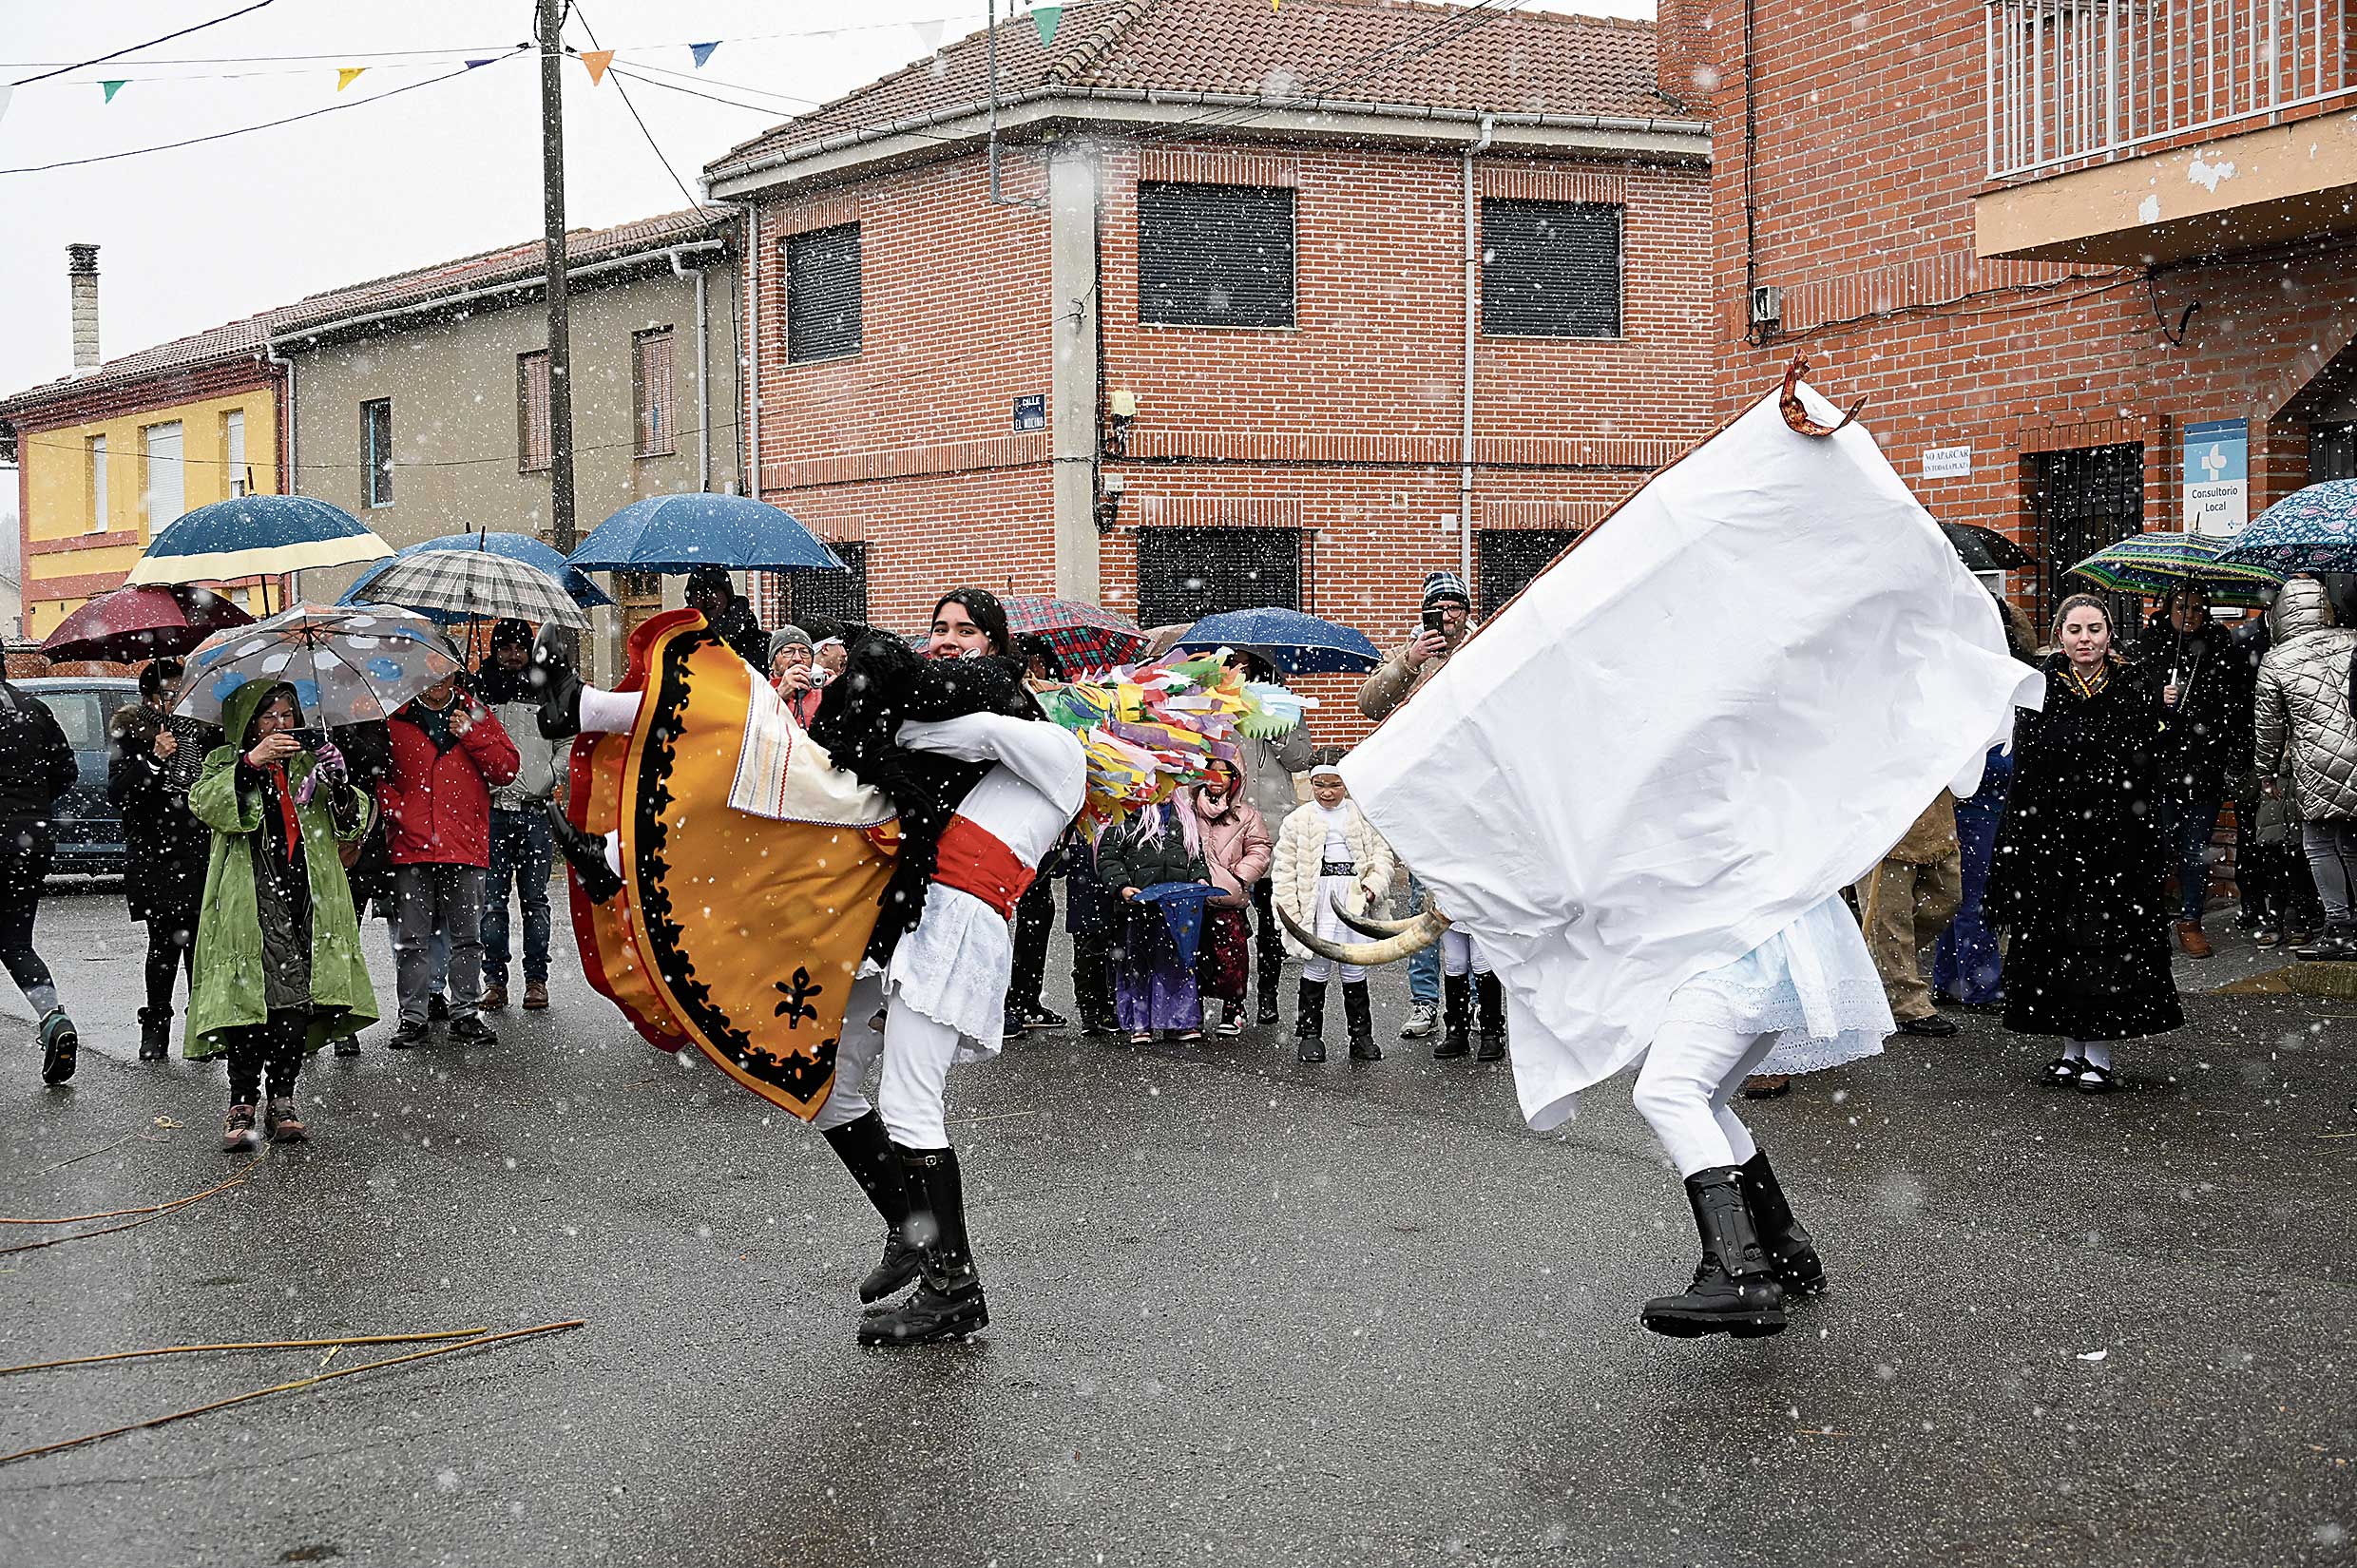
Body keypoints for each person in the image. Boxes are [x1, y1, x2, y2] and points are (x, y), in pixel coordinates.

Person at [1987, 593, 2183, 1092]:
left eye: (2095, 629)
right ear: (2060, 636)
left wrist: (2167, 716)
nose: (2085, 639)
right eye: (2075, 630)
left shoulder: (2134, 684)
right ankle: (2072, 1051)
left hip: (2115, 840)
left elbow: (2151, 761)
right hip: (2053, 837)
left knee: (2104, 944)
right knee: (2058, 945)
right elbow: (2029, 763)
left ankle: (2100, 1054)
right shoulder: (2040, 686)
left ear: (2109, 634)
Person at [185, 681, 375, 1147]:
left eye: (288, 714)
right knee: (250, 1004)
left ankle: (283, 1099)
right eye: (268, 716)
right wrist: (251, 763)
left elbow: (351, 824)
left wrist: (342, 788)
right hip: (249, 898)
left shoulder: (310, 762)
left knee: (293, 1003)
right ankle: (242, 1101)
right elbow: (209, 804)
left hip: (306, 894)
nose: (281, 725)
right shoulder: (223, 763)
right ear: (250, 723)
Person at [1359, 570, 1476, 1043]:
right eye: (1440, 608)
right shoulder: (1411, 655)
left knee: (1474, 906)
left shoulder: (1485, 646)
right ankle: (1426, 1003)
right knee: (1423, 902)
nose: (1448, 618)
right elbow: (1370, 704)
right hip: (1425, 798)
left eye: (1456, 608)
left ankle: (1479, 1006)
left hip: (1473, 796)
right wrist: (1409, 663)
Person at [380, 674, 519, 1048]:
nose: (435, 683)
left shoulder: (475, 712)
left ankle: (465, 1013)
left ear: (454, 674)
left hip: (463, 844)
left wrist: (472, 734)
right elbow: (380, 777)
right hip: (411, 846)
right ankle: (413, 1017)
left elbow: (506, 769)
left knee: (468, 938)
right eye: (426, 674)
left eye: (443, 673)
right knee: (411, 938)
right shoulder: (397, 718)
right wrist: (400, 814)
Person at [107, 659, 215, 1061]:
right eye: (169, 692)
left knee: (201, 947)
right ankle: (156, 1025)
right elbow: (119, 793)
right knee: (165, 944)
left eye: (182, 690)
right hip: (155, 853)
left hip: (200, 850)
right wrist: (153, 759)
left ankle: (201, 1027)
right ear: (151, 698)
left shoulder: (204, 734)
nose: (177, 698)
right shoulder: (132, 732)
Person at [2252, 577, 2357, 960]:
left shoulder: (2277, 660)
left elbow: (2269, 728)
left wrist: (2265, 772)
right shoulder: (2352, 639)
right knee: (2351, 842)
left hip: (2315, 761)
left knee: (2318, 844)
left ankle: (2340, 927)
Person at [1271, 759, 1395, 1062]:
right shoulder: (1298, 820)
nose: (1327, 792)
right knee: (1316, 964)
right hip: (1317, 897)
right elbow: (1285, 867)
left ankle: (1361, 1036)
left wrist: (1373, 885)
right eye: (1320, 785)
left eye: (1334, 785)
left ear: (1346, 786)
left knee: (1354, 965)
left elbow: (1382, 855)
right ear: (1311, 784)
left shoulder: (1362, 816)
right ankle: (1310, 1035)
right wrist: (1290, 910)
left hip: (1353, 896)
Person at [2147, 586, 2244, 958]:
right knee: (2158, 848)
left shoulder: (2220, 646)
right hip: (2161, 769)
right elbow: (2136, 702)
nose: (2190, 615)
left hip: (2204, 765)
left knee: (2195, 850)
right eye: (2182, 607)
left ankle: (2190, 920)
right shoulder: (2151, 644)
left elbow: (2233, 703)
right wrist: (2160, 695)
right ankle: (2150, 922)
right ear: (2168, 607)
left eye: (2198, 608)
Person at [473, 621, 561, 1013]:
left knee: (535, 902)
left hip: (533, 811)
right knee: (491, 903)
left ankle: (536, 979)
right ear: (494, 650)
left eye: (519, 647)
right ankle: (493, 980)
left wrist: (550, 778)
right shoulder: (477, 691)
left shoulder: (548, 689)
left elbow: (568, 740)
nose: (512, 654)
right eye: (504, 647)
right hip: (491, 812)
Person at [1224, 649, 1314, 1026]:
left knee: (1271, 918)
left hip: (1276, 826)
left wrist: (1275, 728)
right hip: (1232, 827)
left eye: (1246, 663)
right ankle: (1234, 997)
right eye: (1235, 663)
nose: (1238, 668)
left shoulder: (1287, 707)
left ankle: (1269, 996)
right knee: (1230, 919)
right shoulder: (1223, 705)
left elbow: (1301, 758)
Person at [0, 677, 82, 1084]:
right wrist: (30, 804)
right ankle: (52, 1017)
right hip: (29, 840)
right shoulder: (33, 709)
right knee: (15, 941)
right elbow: (68, 770)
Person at [1097, 798, 1215, 1044]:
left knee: (1179, 963)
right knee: (1138, 963)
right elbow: (1109, 858)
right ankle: (1142, 1023)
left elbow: (1195, 857)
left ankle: (1180, 1021)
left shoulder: (1184, 818)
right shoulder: (1125, 813)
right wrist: (1122, 886)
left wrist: (1200, 879)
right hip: (1138, 906)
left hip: (1176, 906)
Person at [1851, 792, 1964, 1038]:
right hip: (1882, 820)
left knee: (1947, 899)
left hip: (1934, 813)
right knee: (1890, 917)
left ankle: (1876, 967)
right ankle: (1906, 1005)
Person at [1186, 759, 1272, 1036]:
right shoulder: (1187, 811)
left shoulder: (1246, 816)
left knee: (1232, 957)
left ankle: (1234, 1008)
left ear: (1235, 778)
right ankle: (1191, 1009)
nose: (1216, 779)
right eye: (1210, 772)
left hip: (1228, 899)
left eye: (1223, 774)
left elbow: (1259, 849)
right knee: (1192, 955)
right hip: (1192, 899)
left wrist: (1238, 878)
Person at [1930, 744, 2014, 1009]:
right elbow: (1982, 769)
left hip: (1979, 810)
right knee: (1973, 900)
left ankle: (1951, 982)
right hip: (1977, 812)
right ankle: (1979, 987)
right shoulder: (1987, 719)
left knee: (1962, 899)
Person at [686, 565, 770, 672]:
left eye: (713, 589)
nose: (706, 597)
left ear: (727, 594)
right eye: (698, 591)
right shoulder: (683, 642)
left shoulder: (760, 643)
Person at [768, 625, 824, 727]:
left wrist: (836, 690)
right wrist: (779, 697)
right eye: (788, 651)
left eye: (804, 652)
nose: (797, 658)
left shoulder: (822, 693)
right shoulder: (759, 692)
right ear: (772, 662)